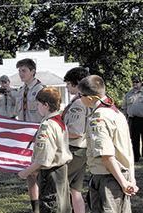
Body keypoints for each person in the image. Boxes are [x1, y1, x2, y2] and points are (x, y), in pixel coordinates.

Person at [78, 75, 139, 212]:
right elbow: (128, 149)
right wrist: (131, 178)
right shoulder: (116, 113)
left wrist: (123, 183)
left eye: (80, 95)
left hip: (108, 177)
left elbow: (106, 155)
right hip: (123, 174)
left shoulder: (98, 119)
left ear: (89, 98)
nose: (79, 98)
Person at [18, 86, 72, 213]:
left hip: (50, 174)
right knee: (62, 206)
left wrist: (27, 172)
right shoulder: (59, 121)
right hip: (61, 171)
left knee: (51, 206)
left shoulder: (47, 125)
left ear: (46, 105)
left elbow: (43, 158)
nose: (37, 107)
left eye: (38, 104)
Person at [14, 58, 45, 213]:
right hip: (26, 139)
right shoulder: (20, 91)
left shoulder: (41, 90)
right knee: (30, 175)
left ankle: (45, 205)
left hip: (40, 136)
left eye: (24, 70)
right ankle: (35, 208)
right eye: (19, 71)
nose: (21, 74)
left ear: (33, 71)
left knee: (40, 173)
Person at [62, 67, 90, 213]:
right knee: (75, 190)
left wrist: (57, 135)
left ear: (77, 83)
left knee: (62, 187)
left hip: (75, 150)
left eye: (68, 84)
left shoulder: (79, 103)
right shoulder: (81, 100)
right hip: (82, 151)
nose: (66, 87)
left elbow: (76, 132)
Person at [122, 75, 143, 162]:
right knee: (134, 139)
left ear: (140, 83)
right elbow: (125, 107)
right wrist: (124, 120)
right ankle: (136, 157)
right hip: (133, 119)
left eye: (137, 82)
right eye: (133, 82)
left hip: (142, 119)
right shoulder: (128, 94)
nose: (135, 83)